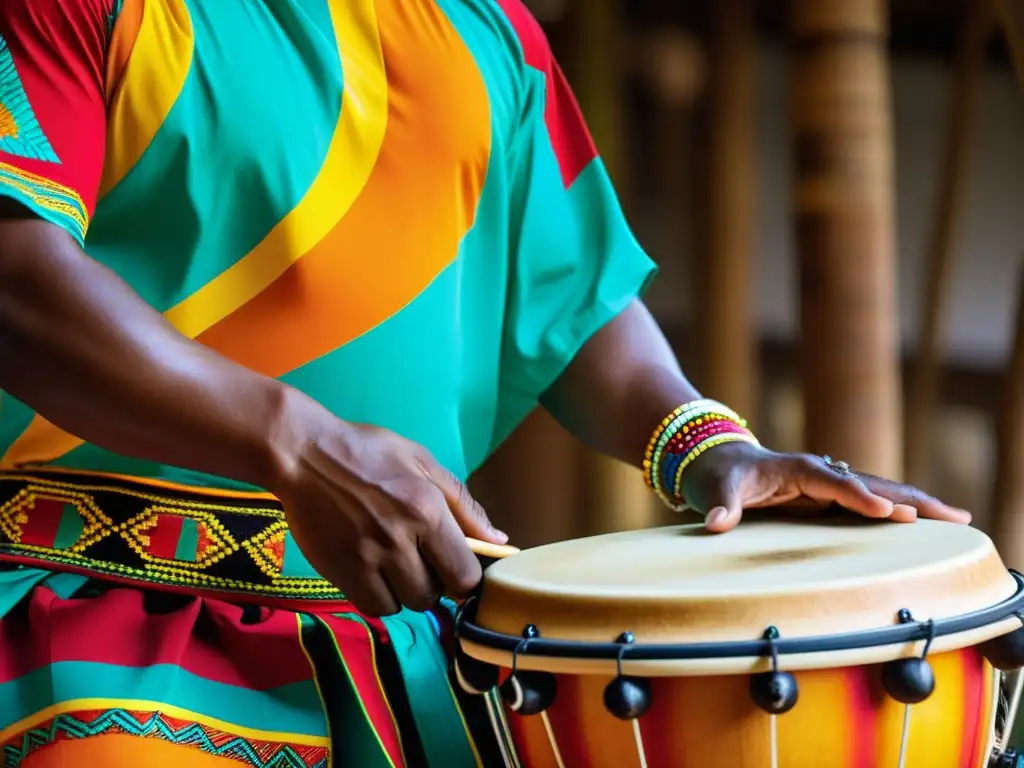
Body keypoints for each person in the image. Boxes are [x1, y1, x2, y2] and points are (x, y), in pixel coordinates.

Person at [0, 0, 970, 765]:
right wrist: (295, 443)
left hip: (420, 655)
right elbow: (16, 280)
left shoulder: (491, 30)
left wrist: (711, 447)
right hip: (99, 620)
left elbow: (571, 297)